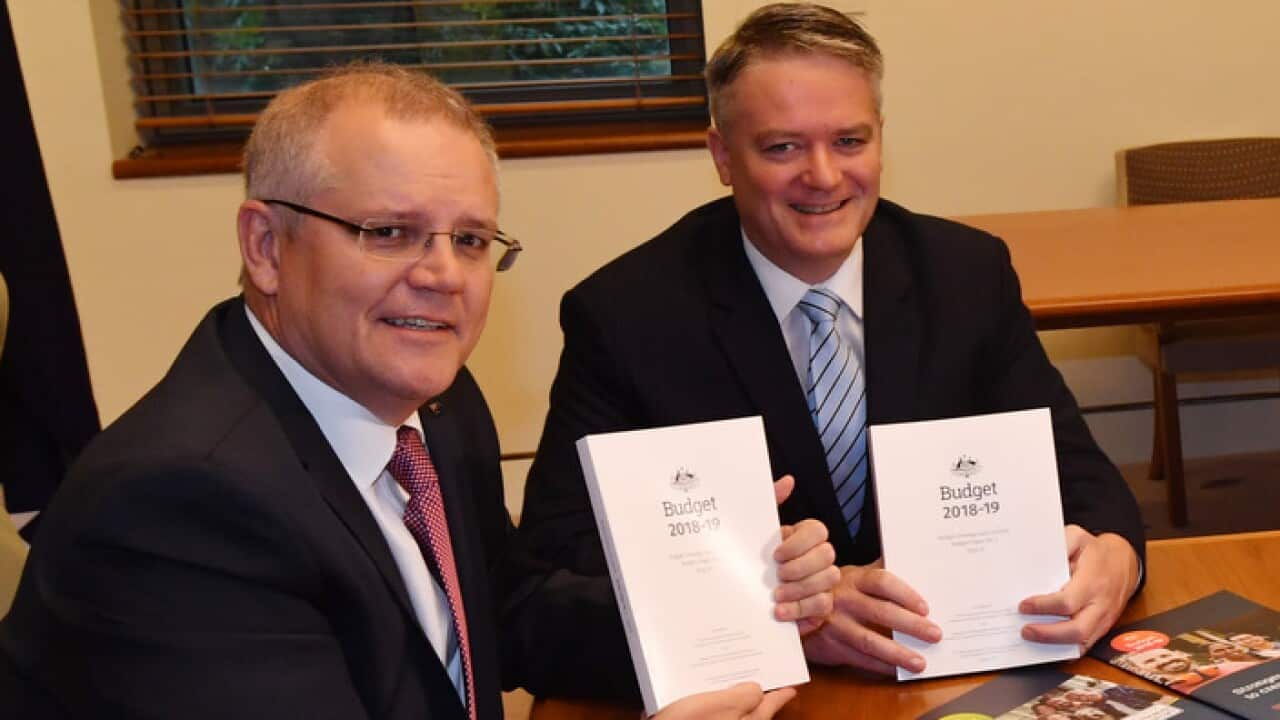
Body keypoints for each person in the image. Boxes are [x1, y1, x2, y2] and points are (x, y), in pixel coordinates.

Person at [0, 64, 836, 719]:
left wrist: (730, 598)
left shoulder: (432, 404)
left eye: (470, 240)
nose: (442, 276)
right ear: (265, 247)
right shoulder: (178, 508)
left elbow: (504, 621)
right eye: (389, 232)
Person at [506, 1, 1145, 699]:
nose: (823, 175)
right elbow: (548, 586)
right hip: (768, 698)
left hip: (954, 676)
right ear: (723, 157)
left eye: (849, 141)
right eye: (782, 147)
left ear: (880, 142)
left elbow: (1078, 471)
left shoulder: (967, 275)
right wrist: (778, 613)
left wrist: (1116, 555)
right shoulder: (626, 316)